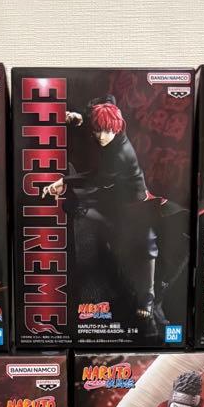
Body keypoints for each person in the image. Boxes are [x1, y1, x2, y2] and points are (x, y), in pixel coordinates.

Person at [42, 96, 168, 335]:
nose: (101, 136)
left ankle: (147, 300)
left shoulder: (122, 153)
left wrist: (64, 181)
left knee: (146, 249)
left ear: (117, 128)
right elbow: (105, 107)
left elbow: (97, 178)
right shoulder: (107, 125)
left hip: (135, 205)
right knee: (81, 212)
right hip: (114, 197)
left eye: (107, 131)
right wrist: (80, 118)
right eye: (98, 130)